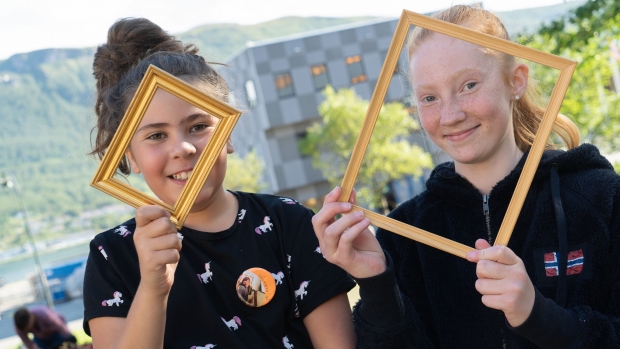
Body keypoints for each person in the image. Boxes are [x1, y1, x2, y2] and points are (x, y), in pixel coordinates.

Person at [312, 5, 620, 349]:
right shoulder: (403, 234)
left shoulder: (600, 196)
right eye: (429, 97)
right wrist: (376, 284)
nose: (451, 114)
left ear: (515, 80)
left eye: (469, 85)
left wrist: (537, 315)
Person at [83, 18, 355, 348]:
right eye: (156, 135)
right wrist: (153, 289)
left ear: (227, 133)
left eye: (198, 126)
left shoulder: (288, 223)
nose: (182, 148)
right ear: (132, 157)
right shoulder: (112, 256)